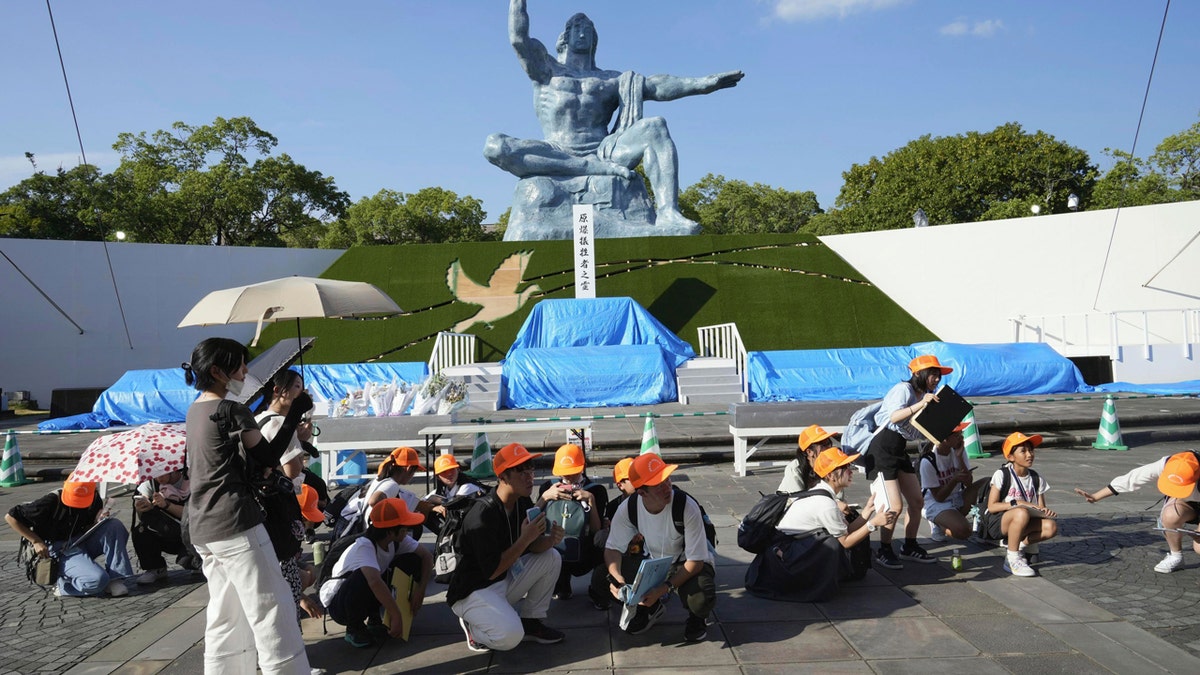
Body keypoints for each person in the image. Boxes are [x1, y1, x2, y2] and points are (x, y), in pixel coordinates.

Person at [485, 0, 744, 231]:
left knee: (655, 127)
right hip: (556, 150)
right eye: (576, 27)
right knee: (496, 146)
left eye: (588, 28)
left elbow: (657, 86)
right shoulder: (547, 70)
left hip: (603, 150)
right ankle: (585, 168)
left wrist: (703, 83)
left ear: (595, 39)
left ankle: (668, 213)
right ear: (565, 37)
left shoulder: (611, 80)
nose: (583, 32)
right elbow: (519, 39)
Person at [182, 337, 313, 674]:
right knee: (272, 608)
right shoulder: (231, 410)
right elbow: (269, 456)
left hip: (203, 526)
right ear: (217, 371)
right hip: (236, 521)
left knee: (226, 614)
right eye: (239, 365)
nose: (244, 371)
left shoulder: (195, 410)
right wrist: (295, 414)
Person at [447, 443, 566, 652]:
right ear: (503, 477)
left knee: (552, 556)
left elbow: (533, 548)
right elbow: (492, 569)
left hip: (501, 581)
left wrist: (549, 541)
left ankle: (531, 622)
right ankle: (474, 628)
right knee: (511, 637)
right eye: (521, 471)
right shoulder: (482, 514)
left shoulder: (521, 501)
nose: (530, 477)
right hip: (473, 591)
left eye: (531, 470)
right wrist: (525, 539)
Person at [749, 448, 896, 601]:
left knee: (833, 538)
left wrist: (867, 511)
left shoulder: (823, 494)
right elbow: (845, 542)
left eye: (849, 466)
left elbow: (845, 530)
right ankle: (813, 586)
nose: (850, 471)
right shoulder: (826, 504)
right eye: (845, 468)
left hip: (789, 546)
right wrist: (873, 524)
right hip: (784, 553)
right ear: (830, 475)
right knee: (831, 544)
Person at [604, 453, 715, 643]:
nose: (667, 487)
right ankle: (649, 608)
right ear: (642, 492)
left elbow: (695, 562)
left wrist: (664, 588)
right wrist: (619, 580)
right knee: (602, 580)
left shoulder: (686, 506)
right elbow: (612, 549)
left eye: (667, 479)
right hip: (653, 562)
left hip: (685, 562)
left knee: (700, 595)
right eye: (658, 484)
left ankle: (698, 618)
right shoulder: (628, 508)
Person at [866, 354, 951, 569]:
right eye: (933, 374)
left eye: (938, 376)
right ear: (918, 373)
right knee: (893, 505)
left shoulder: (926, 395)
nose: (936, 379)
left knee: (916, 501)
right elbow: (894, 417)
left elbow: (915, 431)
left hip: (900, 448)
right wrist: (921, 404)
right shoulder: (904, 389)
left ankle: (909, 545)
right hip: (883, 447)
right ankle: (884, 549)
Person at [319, 498, 433, 648]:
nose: (407, 531)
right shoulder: (364, 546)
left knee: (412, 560)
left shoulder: (396, 540)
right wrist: (396, 615)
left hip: (363, 594)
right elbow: (374, 582)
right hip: (340, 605)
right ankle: (354, 628)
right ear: (391, 531)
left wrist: (420, 590)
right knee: (365, 576)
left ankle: (374, 620)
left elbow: (427, 557)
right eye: (404, 528)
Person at [6, 475, 135, 598]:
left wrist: (98, 520)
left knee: (113, 525)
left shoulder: (94, 499)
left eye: (82, 500)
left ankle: (115, 579)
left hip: (80, 539)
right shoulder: (50, 501)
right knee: (97, 580)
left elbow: (87, 526)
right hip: (57, 548)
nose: (77, 503)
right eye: (74, 498)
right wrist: (36, 541)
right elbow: (11, 517)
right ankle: (64, 586)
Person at [1074, 450, 1200, 573]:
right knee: (1169, 515)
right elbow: (1132, 478)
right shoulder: (1169, 463)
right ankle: (1176, 556)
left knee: (1199, 547)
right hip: (1187, 504)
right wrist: (1095, 497)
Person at [536, 443, 609, 601]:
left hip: (586, 548)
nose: (568, 477)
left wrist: (591, 500)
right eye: (564, 473)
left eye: (572, 473)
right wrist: (545, 498)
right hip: (555, 547)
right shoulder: (547, 488)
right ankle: (561, 585)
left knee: (604, 547)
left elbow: (597, 530)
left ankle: (598, 590)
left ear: (582, 467)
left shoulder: (596, 490)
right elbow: (532, 521)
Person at [987, 432, 1058, 578]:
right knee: (1021, 512)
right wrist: (1016, 503)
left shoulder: (1036, 478)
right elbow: (992, 506)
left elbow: (1041, 509)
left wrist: (1045, 512)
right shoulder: (1002, 474)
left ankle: (1019, 544)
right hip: (1000, 523)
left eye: (1031, 450)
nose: (1029, 454)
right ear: (1011, 457)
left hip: (1025, 522)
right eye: (1023, 451)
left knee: (1051, 526)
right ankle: (1012, 559)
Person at [918, 423, 990, 541]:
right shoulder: (928, 461)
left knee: (989, 482)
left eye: (961, 434)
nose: (961, 438)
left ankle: (957, 519)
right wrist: (954, 480)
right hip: (935, 503)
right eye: (957, 436)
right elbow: (938, 497)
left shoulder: (958, 451)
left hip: (955, 497)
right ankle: (939, 523)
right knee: (963, 531)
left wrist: (959, 457)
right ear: (945, 439)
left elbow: (968, 483)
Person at [131, 468, 201, 584]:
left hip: (189, 532)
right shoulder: (150, 483)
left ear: (175, 469)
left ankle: (198, 561)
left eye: (162, 473)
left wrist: (167, 505)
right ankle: (156, 568)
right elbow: (141, 511)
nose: (159, 478)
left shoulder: (192, 479)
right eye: (155, 473)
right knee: (140, 531)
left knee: (187, 561)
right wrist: (142, 507)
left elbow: (193, 514)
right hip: (164, 530)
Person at [585, 456, 638, 611]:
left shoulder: (649, 498)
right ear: (620, 485)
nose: (639, 480)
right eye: (632, 478)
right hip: (624, 552)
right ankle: (604, 591)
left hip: (648, 552)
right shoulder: (614, 506)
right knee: (601, 539)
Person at [362, 447, 435, 532]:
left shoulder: (380, 480)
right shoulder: (392, 485)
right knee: (416, 528)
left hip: (369, 529)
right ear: (408, 468)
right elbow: (373, 501)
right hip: (377, 532)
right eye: (414, 471)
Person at [425, 454, 486, 534]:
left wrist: (436, 502)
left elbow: (453, 502)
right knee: (424, 514)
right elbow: (421, 503)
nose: (449, 474)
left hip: (481, 524)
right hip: (465, 524)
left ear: (458, 470)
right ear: (438, 477)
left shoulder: (468, 485)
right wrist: (432, 508)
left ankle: (452, 536)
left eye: (452, 470)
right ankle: (449, 537)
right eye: (444, 472)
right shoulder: (444, 489)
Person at [779, 425, 839, 493]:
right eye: (824, 444)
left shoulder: (831, 466)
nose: (829, 448)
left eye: (829, 443)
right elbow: (797, 499)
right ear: (809, 452)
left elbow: (837, 495)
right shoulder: (794, 469)